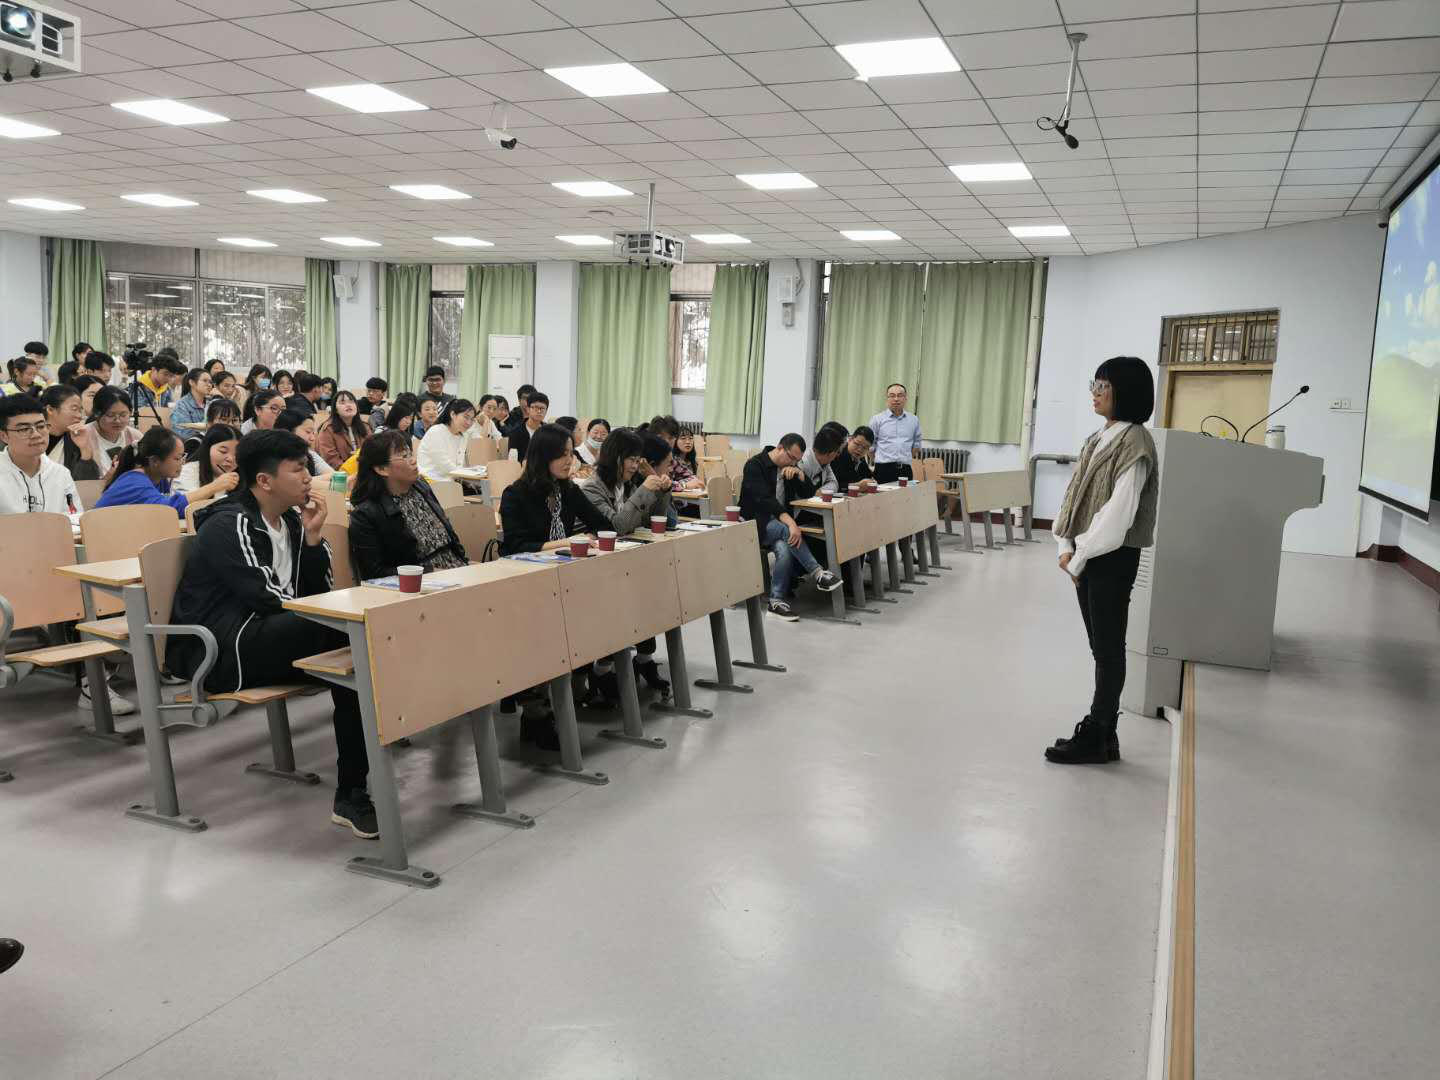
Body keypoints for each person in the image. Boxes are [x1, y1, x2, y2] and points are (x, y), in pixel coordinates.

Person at [167, 429, 376, 837]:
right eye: (298, 470)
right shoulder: (230, 524)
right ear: (264, 480)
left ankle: (353, 790)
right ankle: (352, 791)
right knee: (353, 635)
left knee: (357, 658)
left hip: (270, 635)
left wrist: (313, 539)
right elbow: (269, 600)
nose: (308, 478)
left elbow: (313, 595)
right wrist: (332, 616)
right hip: (225, 650)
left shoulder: (293, 521)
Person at [1046, 357, 1160, 766]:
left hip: (1110, 557)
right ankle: (1104, 735)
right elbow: (1074, 495)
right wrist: (1064, 544)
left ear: (1124, 392)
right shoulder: (1098, 437)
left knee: (1109, 649)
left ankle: (1098, 732)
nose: (1095, 393)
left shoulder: (1136, 442)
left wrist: (1079, 558)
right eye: (1094, 385)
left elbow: (1118, 515)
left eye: (1103, 386)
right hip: (1087, 555)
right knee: (1102, 647)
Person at [738, 434, 842, 621]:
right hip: (754, 524)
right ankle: (818, 572)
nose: (793, 463)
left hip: (778, 525)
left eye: (797, 460)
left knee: (785, 548)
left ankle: (775, 602)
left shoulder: (789, 468)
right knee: (788, 531)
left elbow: (808, 493)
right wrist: (791, 523)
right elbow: (765, 501)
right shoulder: (755, 465)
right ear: (779, 448)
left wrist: (801, 476)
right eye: (791, 458)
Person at [348, 430, 468, 580]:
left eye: (410, 453)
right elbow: (374, 573)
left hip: (455, 568)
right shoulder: (366, 513)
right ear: (381, 469)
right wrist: (429, 572)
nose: (413, 460)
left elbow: (449, 535)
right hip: (421, 582)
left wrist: (465, 563)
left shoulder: (421, 486)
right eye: (404, 456)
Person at [499, 422, 611, 555]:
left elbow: (603, 525)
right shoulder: (515, 494)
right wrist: (564, 543)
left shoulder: (569, 490)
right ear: (543, 456)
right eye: (563, 454)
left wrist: (585, 539)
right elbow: (516, 546)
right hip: (526, 564)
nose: (569, 461)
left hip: (565, 562)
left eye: (571, 454)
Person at [95, 426, 236, 515]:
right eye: (177, 458)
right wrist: (214, 487)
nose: (182, 463)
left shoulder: (159, 479)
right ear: (155, 461)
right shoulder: (135, 481)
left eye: (183, 457)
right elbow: (169, 510)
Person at [578, 427, 674, 535]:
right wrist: (643, 491)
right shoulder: (591, 488)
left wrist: (663, 492)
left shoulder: (627, 485)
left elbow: (650, 523)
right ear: (615, 457)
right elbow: (617, 527)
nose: (635, 466)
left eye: (637, 461)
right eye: (631, 460)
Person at [0, 393, 81, 514]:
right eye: (24, 429)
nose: (36, 435)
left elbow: (74, 518)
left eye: (41, 426)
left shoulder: (61, 473)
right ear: (4, 436)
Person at [41, 385, 102, 481]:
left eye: (80, 410)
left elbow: (87, 482)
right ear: (50, 410)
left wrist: (85, 449)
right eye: (74, 409)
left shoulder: (75, 440)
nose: (79, 416)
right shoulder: (31, 438)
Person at [868, 383, 922, 483]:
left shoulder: (914, 420)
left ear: (905, 398)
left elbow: (916, 445)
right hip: (883, 470)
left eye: (900, 395)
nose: (896, 399)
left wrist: (905, 458)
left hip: (905, 470)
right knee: (881, 493)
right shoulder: (877, 419)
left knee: (905, 494)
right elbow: (870, 446)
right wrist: (879, 460)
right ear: (887, 399)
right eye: (892, 396)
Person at [82, 387, 143, 469]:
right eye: (110, 415)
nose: (117, 421)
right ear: (97, 413)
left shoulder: (135, 436)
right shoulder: (82, 436)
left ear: (130, 412)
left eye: (123, 415)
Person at [417, 397, 476, 482]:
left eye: (472, 419)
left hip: (451, 481)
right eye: (466, 417)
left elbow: (459, 464)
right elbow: (444, 465)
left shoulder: (463, 435)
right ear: (453, 414)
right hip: (431, 481)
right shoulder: (436, 431)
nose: (469, 422)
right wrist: (466, 474)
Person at [175, 423, 238, 497]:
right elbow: (183, 502)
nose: (230, 459)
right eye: (223, 451)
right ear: (207, 449)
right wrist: (215, 486)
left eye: (236, 454)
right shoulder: (187, 472)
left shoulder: (241, 475)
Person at [314, 390, 369, 470]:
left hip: (365, 471)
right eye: (342, 403)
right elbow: (331, 460)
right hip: (341, 473)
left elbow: (373, 451)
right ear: (335, 409)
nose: (348, 405)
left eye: (351, 402)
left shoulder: (365, 427)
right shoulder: (328, 429)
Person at [274, 410, 334, 476]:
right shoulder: (273, 457)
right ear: (288, 431)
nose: (313, 438)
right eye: (308, 432)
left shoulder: (309, 454)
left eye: (313, 433)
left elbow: (333, 476)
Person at [168, 368, 213, 436]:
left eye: (210, 382)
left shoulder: (212, 403)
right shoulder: (182, 405)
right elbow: (182, 432)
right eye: (205, 381)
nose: (209, 385)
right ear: (192, 382)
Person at [507, 390, 548, 463]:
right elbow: (513, 460)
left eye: (542, 408)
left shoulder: (549, 431)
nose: (539, 411)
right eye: (535, 407)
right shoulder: (516, 432)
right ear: (528, 409)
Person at [831, 425, 875, 491]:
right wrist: (856, 486)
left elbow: (868, 477)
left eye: (864, 448)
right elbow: (833, 486)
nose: (860, 449)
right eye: (857, 444)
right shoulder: (837, 455)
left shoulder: (860, 458)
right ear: (850, 439)